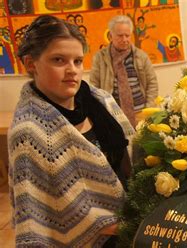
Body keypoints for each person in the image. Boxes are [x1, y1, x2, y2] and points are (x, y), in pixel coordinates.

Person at [8, 15, 135, 247]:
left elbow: (129, 162)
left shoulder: (103, 101)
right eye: (59, 60)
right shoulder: (29, 134)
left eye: (78, 61)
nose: (72, 70)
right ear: (30, 63)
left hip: (134, 224)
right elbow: (39, 216)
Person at [89, 15, 158, 127]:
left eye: (127, 35)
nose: (125, 39)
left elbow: (152, 84)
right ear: (111, 36)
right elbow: (94, 87)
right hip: (113, 116)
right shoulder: (100, 58)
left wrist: (149, 109)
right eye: (120, 36)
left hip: (141, 113)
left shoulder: (141, 56)